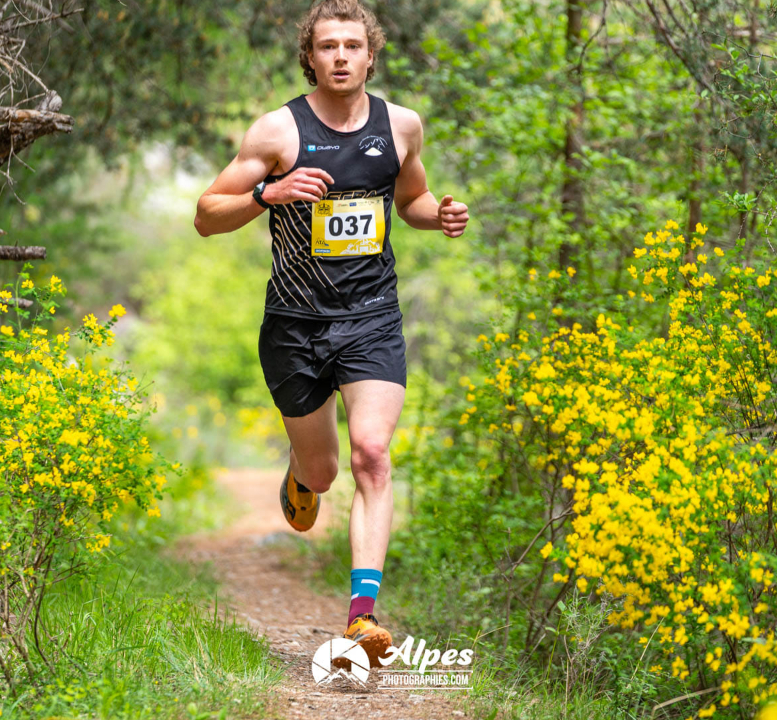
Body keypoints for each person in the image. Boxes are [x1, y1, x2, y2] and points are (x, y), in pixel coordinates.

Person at [193, 0, 469, 666]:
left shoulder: (401, 127)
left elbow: (410, 201)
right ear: (310, 57)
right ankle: (301, 472)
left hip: (372, 317)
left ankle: (362, 615)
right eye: (327, 46)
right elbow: (205, 214)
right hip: (294, 324)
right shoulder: (277, 132)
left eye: (352, 45)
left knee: (373, 453)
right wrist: (268, 196)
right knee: (325, 470)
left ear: (371, 54)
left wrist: (443, 215)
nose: (340, 56)